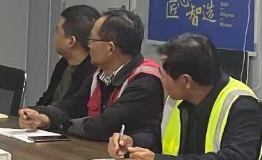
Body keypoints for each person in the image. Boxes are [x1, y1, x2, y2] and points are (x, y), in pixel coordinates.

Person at [108, 32, 262, 160]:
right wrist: (132, 143)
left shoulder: (242, 105)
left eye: (163, 75)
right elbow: (157, 138)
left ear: (186, 81)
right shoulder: (177, 98)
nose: (160, 81)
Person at [17, 8, 162, 142]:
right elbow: (71, 108)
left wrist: (61, 125)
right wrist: (42, 117)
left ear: (110, 48)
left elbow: (104, 125)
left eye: (92, 40)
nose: (88, 46)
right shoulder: (101, 74)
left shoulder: (144, 81)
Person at [33, 4, 100, 109]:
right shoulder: (63, 64)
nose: (55, 36)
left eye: (57, 31)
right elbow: (46, 99)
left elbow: (71, 111)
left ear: (71, 41)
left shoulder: (91, 75)